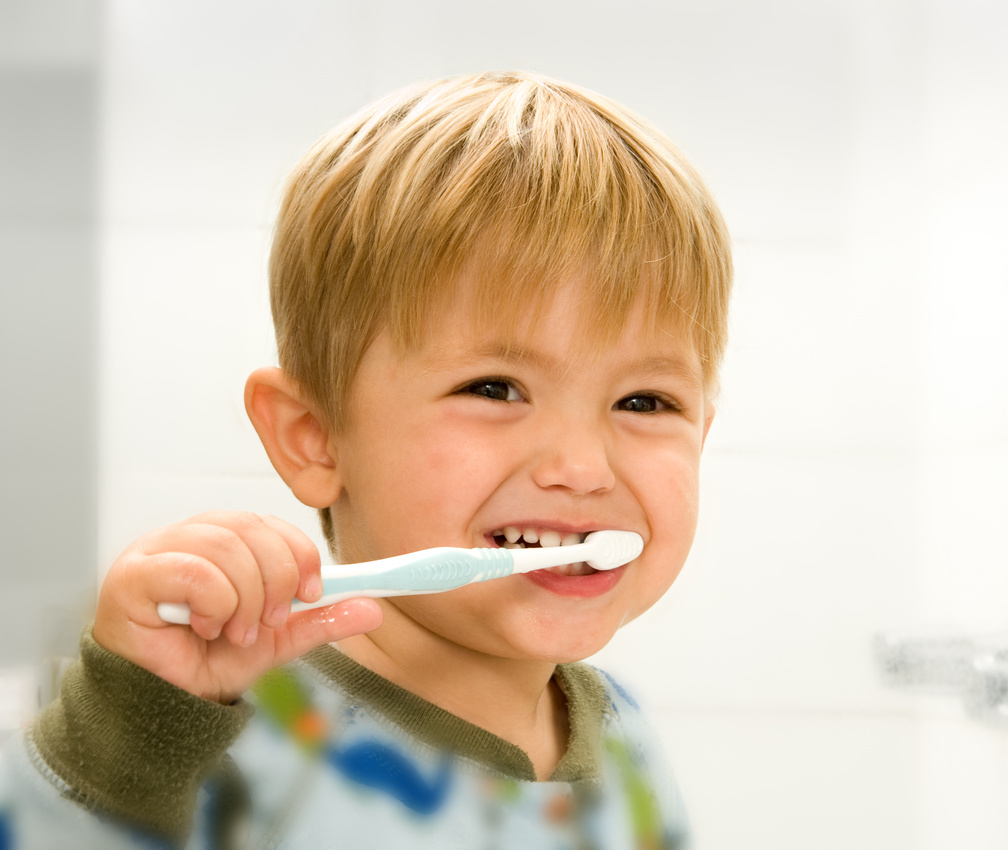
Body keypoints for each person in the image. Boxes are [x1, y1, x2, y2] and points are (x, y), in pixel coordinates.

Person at [0, 71, 731, 848]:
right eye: (494, 388)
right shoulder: (200, 738)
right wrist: (117, 742)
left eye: (646, 402)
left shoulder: (627, 741)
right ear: (312, 435)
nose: (583, 467)